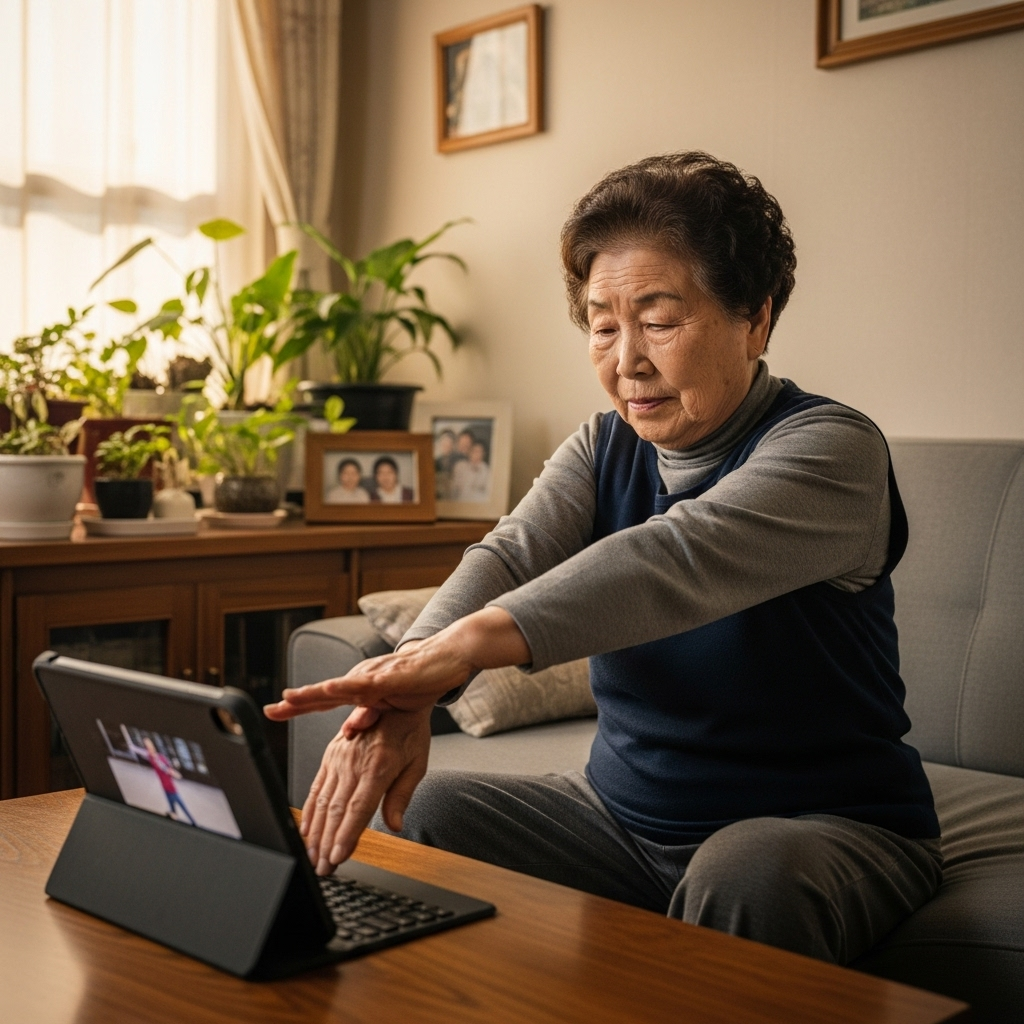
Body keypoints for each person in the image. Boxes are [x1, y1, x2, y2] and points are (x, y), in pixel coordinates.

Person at [266, 151, 942, 966]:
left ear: (755, 320)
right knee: (439, 811)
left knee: (749, 870)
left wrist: (466, 648)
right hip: (619, 826)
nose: (628, 360)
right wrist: (408, 681)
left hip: (822, 827)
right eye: (603, 324)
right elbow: (510, 554)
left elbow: (675, 558)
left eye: (660, 320)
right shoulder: (602, 445)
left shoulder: (830, 449)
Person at [434, 429, 458, 500]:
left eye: (449, 443)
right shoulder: (436, 461)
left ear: (453, 444)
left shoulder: (458, 461)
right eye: (444, 442)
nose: (446, 445)